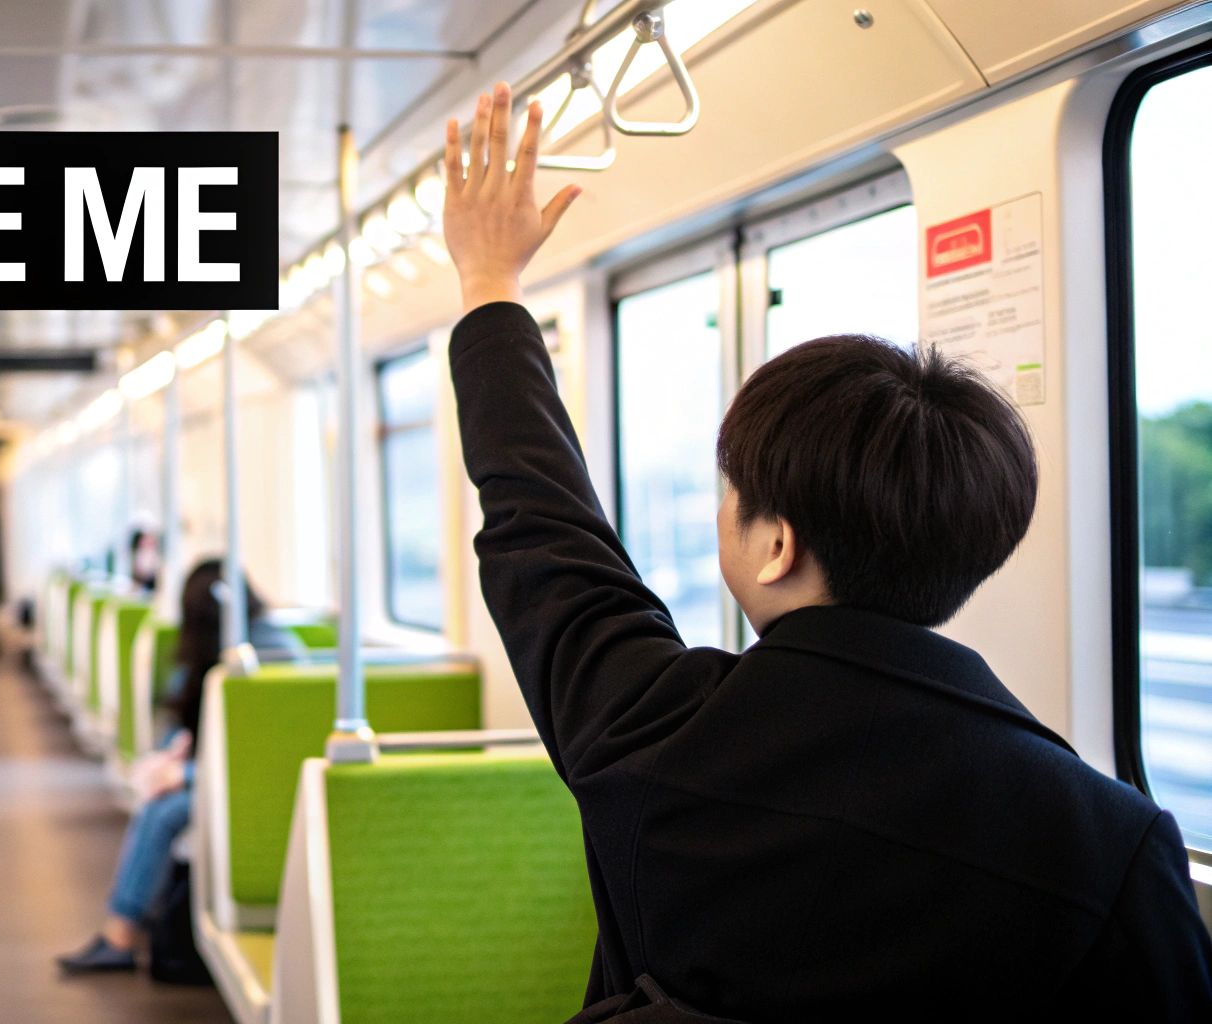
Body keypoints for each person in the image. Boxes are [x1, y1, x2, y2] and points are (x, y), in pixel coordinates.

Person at [439, 82, 1212, 1021]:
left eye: (731, 492)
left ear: (776, 544)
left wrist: (488, 283)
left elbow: (541, 521)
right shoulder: (1114, 843)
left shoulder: (651, 727)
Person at [56, 558, 302, 973]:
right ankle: (124, 927)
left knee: (163, 812)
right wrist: (171, 758)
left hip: (260, 781)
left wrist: (185, 775)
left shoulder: (270, 654)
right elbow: (189, 713)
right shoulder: (217, 649)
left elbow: (269, 752)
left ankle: (121, 933)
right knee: (160, 800)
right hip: (223, 773)